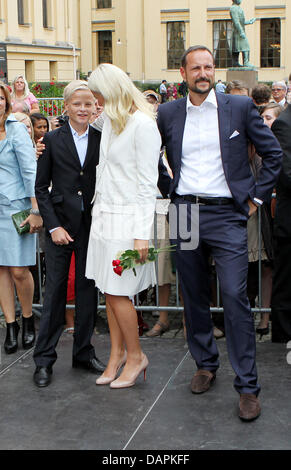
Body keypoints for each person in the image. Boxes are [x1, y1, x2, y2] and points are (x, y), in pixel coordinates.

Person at [157, 45, 282, 421]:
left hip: (228, 214)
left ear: (215, 71)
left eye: (209, 66)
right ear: (183, 73)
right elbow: (152, 158)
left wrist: (255, 201)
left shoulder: (239, 108)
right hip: (184, 212)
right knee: (192, 294)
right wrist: (169, 190)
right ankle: (205, 363)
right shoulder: (167, 112)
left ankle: (247, 386)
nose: (203, 73)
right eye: (196, 67)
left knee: (233, 294)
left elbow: (272, 154)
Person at [85, 64, 161, 389]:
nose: (96, 103)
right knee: (107, 290)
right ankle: (115, 356)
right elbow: (78, 113)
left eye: (100, 96)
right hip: (104, 218)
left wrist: (142, 234)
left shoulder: (143, 126)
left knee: (118, 293)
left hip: (128, 222)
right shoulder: (114, 122)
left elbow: (148, 184)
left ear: (114, 92)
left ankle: (136, 356)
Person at [33, 80, 106, 388]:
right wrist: (53, 226)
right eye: (77, 103)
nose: (83, 108)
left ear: (95, 107)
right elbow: (41, 188)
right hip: (59, 227)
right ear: (66, 107)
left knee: (89, 292)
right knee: (55, 294)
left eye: (88, 103)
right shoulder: (50, 140)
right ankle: (44, 360)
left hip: (91, 225)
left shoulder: (103, 138)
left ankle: (83, 352)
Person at [0, 81, 42, 355]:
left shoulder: (15, 130)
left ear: (5, 101)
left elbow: (30, 171)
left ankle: (28, 318)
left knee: (18, 270)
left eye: (0, 99)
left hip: (16, 209)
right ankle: (11, 325)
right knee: (1, 270)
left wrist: (36, 210)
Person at [271, 102, 291, 342]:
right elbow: (286, 174)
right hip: (289, 222)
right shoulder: (284, 123)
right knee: (286, 286)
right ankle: (282, 340)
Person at [230, 0, 256, 67]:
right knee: (245, 46)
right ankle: (245, 62)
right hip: (238, 32)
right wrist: (241, 32)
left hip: (239, 31)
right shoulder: (233, 8)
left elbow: (241, 22)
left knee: (237, 48)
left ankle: (237, 63)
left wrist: (249, 22)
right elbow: (236, 21)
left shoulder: (238, 8)